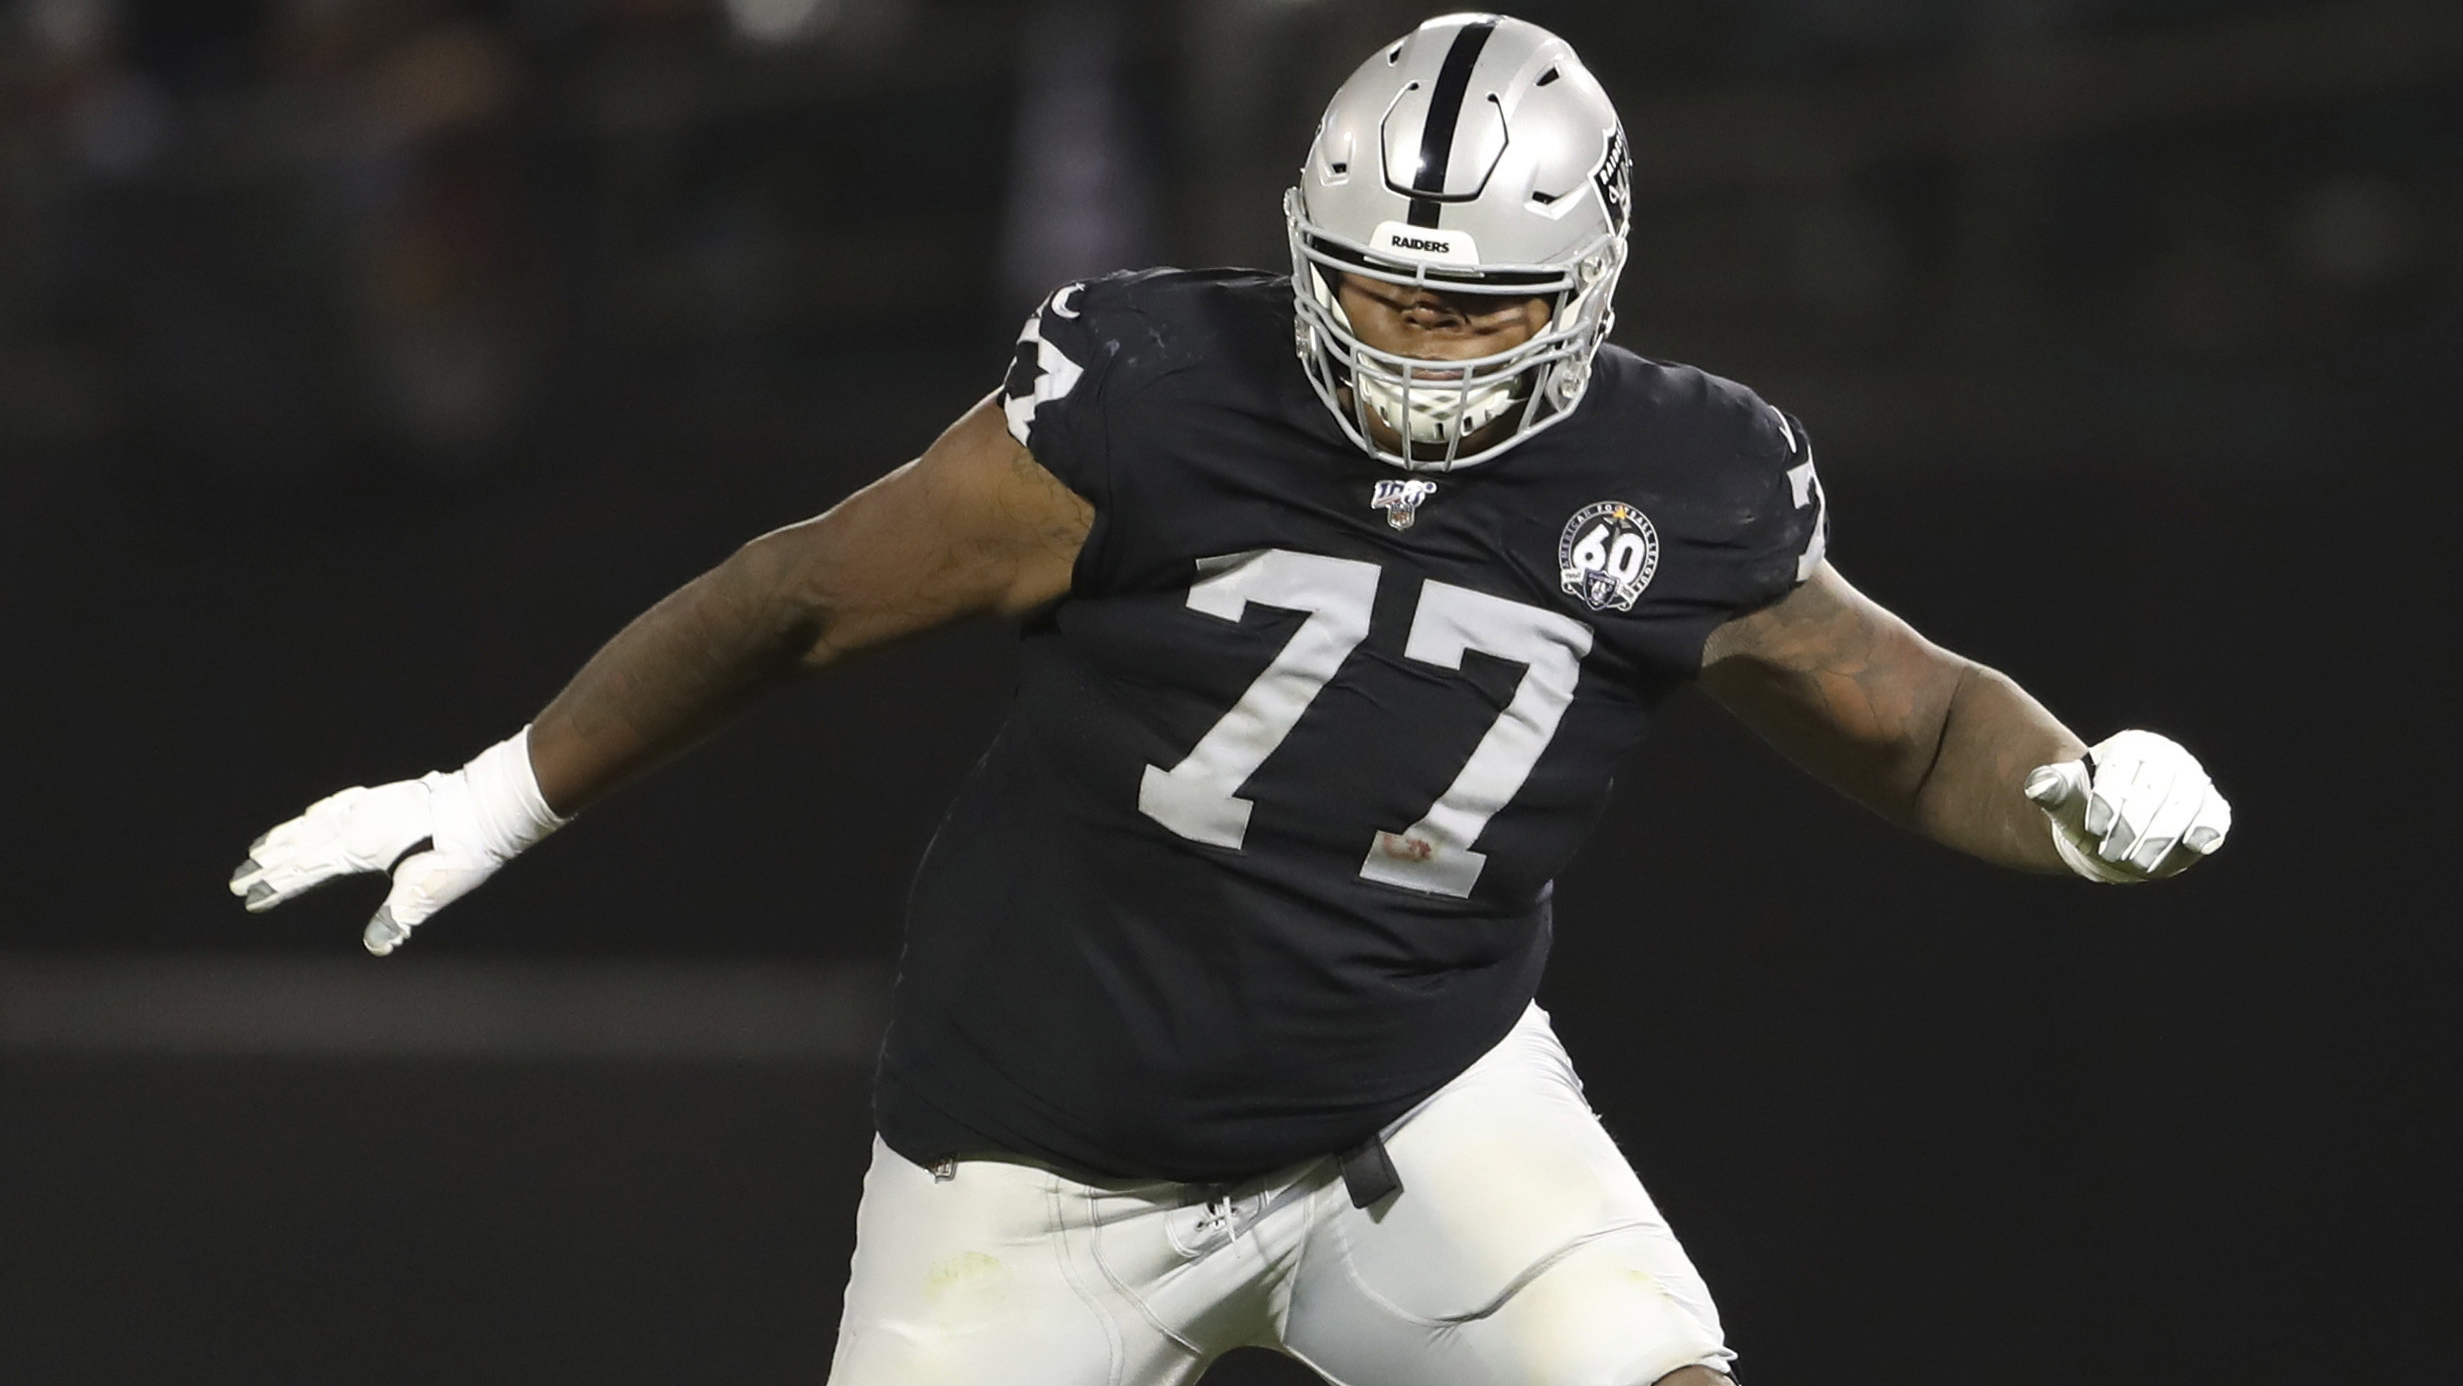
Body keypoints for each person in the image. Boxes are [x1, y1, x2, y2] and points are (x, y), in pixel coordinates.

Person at [229, 14, 2230, 1386]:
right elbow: (803, 593)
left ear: (1593, 282)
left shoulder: (1686, 478)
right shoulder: (1148, 404)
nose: (1409, 339)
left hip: (1406, 1107)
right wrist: (509, 787)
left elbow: (1909, 714)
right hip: (1031, 1155)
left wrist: (2062, 790)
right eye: (1368, 285)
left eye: (1467, 304)